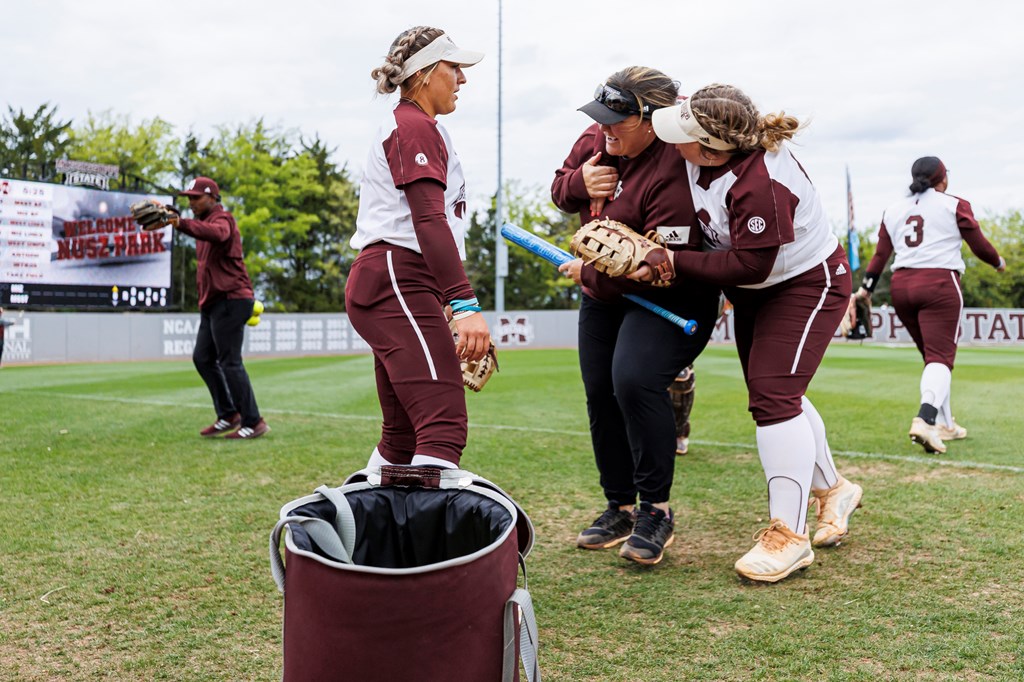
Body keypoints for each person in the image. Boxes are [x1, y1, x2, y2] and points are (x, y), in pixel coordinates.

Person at [626, 83, 864, 582]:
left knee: (774, 397)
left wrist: (672, 260)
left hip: (804, 283)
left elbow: (754, 265)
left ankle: (789, 535)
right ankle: (834, 489)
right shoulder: (703, 153)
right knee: (776, 393)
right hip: (760, 289)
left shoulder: (762, 183)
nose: (670, 141)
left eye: (683, 134)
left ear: (713, 147)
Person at [551, 67, 721, 565]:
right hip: (602, 292)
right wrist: (579, 183)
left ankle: (656, 510)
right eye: (600, 119)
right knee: (600, 390)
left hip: (672, 295)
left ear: (650, 119)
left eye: (616, 123)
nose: (604, 131)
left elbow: (654, 268)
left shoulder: (675, 157)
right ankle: (619, 505)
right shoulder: (599, 134)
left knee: (634, 379)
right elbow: (559, 191)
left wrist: (589, 269)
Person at [344, 26, 490, 471]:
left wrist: (444, 297)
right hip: (397, 276)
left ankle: (361, 533)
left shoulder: (418, 126)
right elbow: (428, 219)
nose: (462, 78)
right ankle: (423, 542)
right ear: (425, 73)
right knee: (442, 425)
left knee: (402, 435)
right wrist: (464, 304)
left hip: (396, 280)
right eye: (454, 67)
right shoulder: (413, 126)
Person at [856, 156, 1004, 454]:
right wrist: (998, 262)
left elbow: (880, 256)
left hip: (901, 287)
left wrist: (866, 288)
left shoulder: (894, 209)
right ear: (943, 179)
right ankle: (926, 419)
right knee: (940, 358)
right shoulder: (953, 203)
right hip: (938, 284)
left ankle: (946, 425)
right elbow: (979, 245)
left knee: (933, 359)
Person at [163, 176, 269, 439]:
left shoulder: (224, 219)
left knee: (230, 362)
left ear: (212, 197)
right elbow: (200, 230)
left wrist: (180, 223)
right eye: (188, 198)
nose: (191, 202)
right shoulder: (200, 224)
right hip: (213, 302)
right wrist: (179, 220)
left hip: (231, 299)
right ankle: (228, 414)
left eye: (196, 197)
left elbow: (218, 234)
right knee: (203, 358)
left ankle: (253, 421)